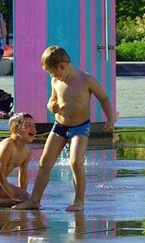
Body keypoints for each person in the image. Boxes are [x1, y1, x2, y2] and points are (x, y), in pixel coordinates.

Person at [14, 46, 115, 212]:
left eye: (52, 72)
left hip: (80, 128)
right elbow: (51, 100)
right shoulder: (56, 81)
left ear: (62, 66)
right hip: (59, 126)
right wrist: (50, 106)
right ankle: (34, 200)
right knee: (44, 163)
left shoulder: (86, 80)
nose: (52, 76)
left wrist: (110, 120)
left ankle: (79, 201)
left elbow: (103, 98)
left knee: (76, 162)